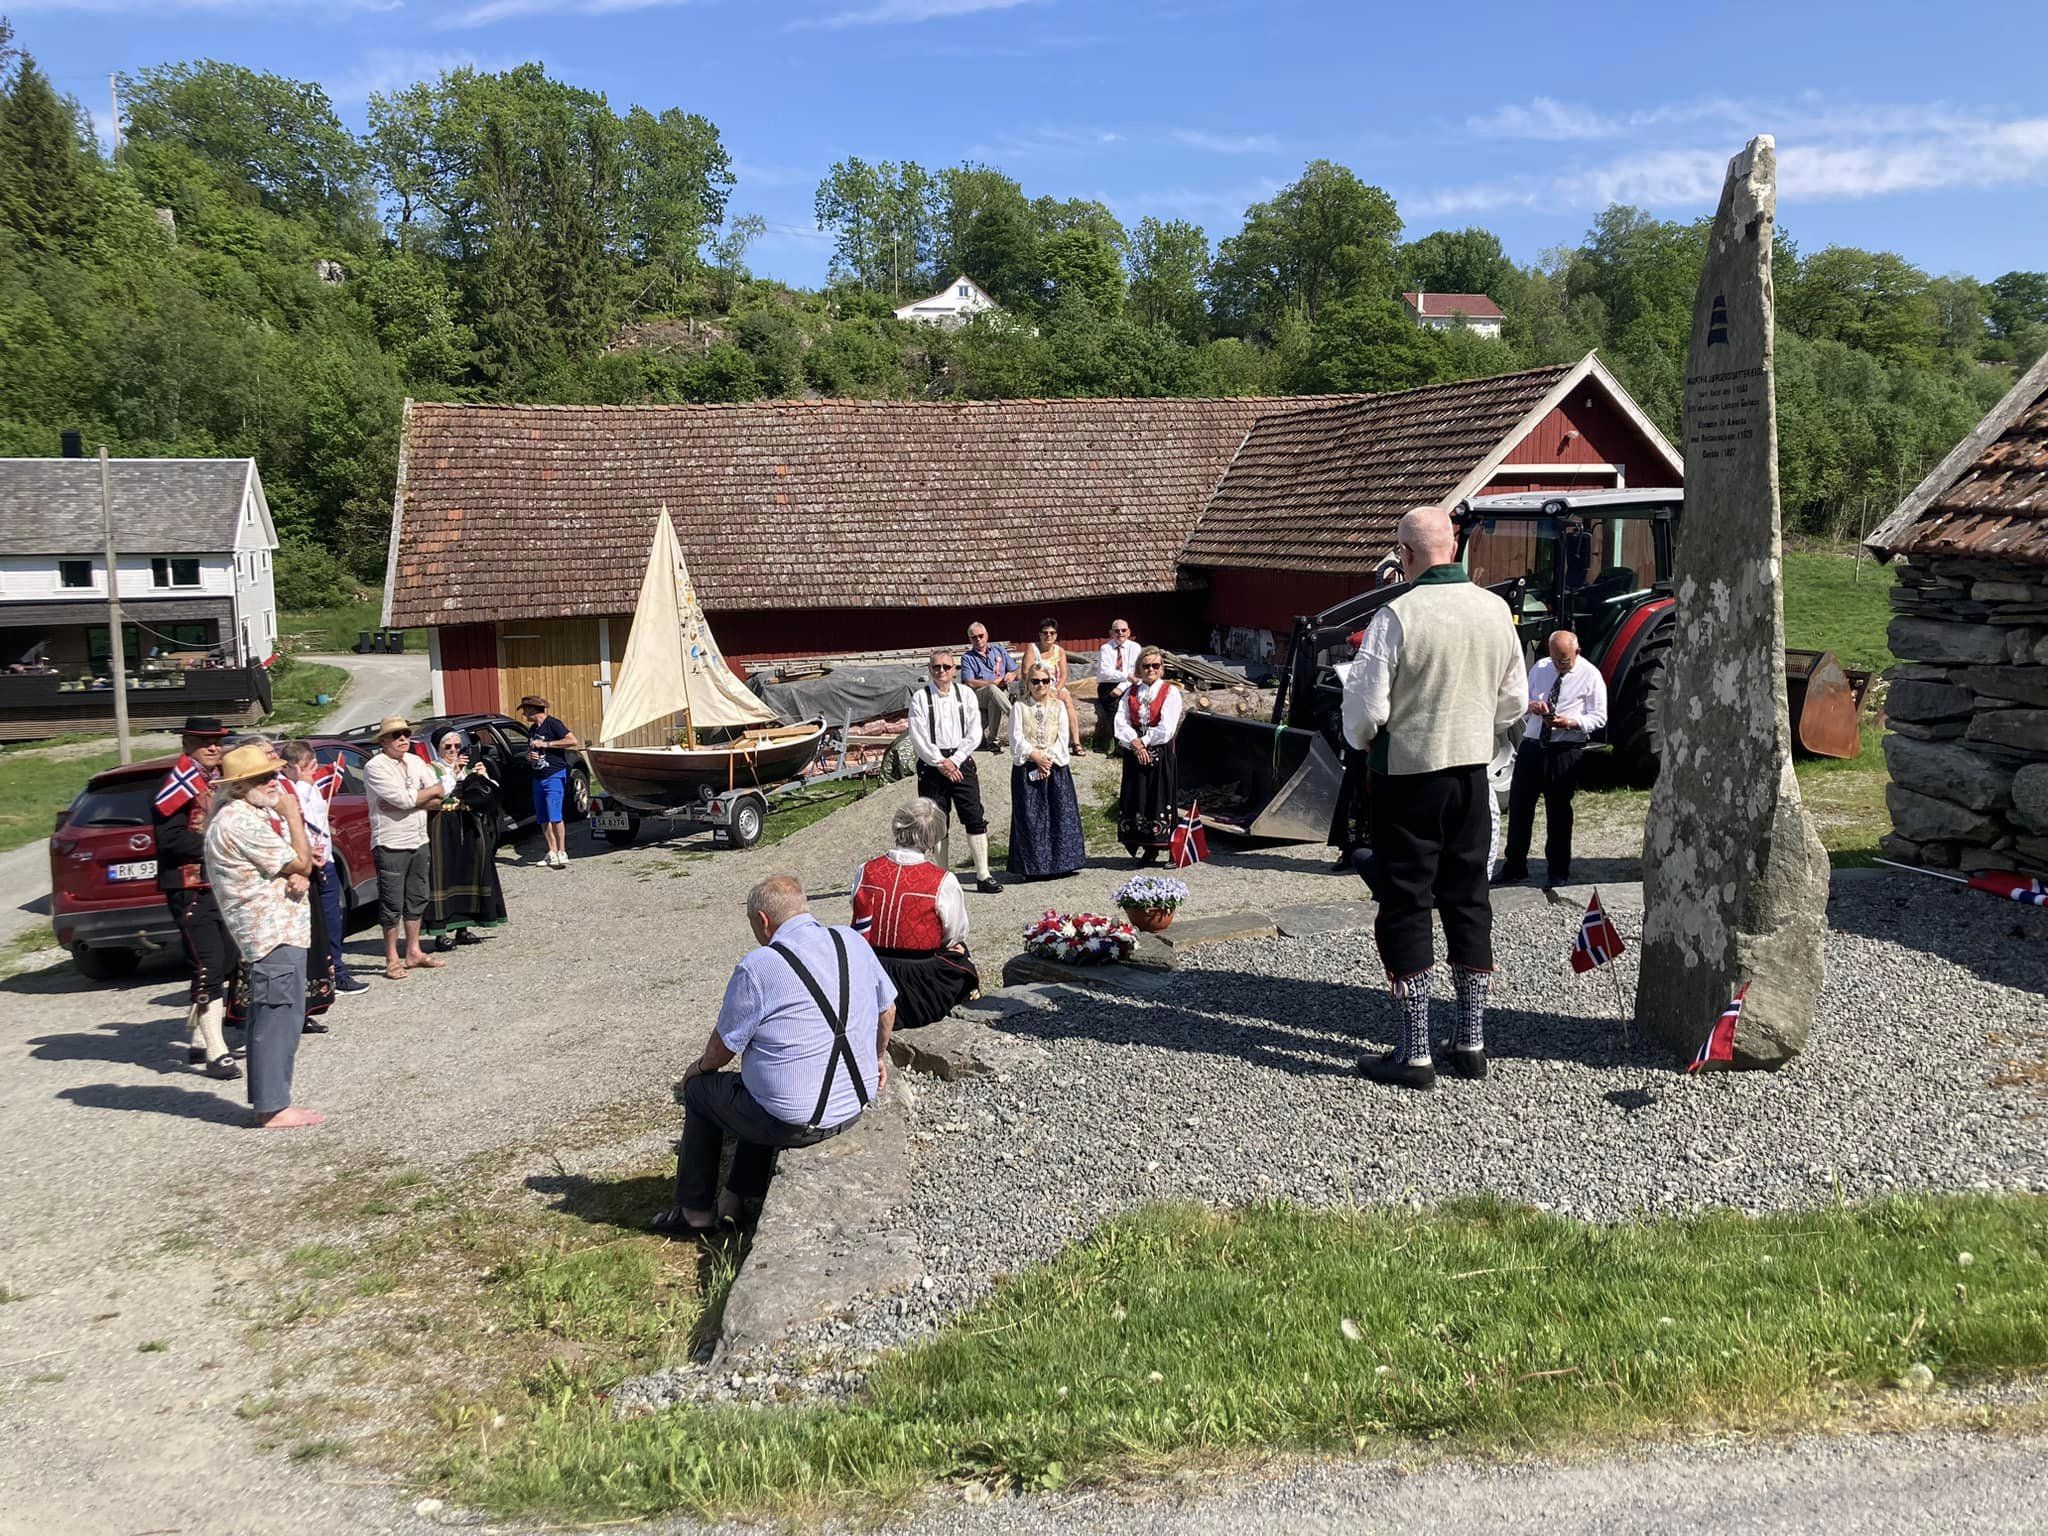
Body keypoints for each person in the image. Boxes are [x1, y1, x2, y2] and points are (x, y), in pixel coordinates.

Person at [1341, 505, 1527, 1092]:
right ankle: (1471, 1042)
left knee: (1407, 901)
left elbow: (1364, 712)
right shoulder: (1495, 610)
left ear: (1407, 553)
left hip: (1409, 778)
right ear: (1454, 546)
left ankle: (1416, 1051)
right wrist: (1474, 727)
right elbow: (1514, 701)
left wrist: (1367, 742)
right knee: (1469, 897)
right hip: (1471, 775)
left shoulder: (1396, 615)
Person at [652, 876, 894, 1238]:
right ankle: (737, 1195)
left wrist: (697, 1069)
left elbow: (724, 1046)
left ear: (763, 921)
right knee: (763, 1082)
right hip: (854, 1103)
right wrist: (877, 1055)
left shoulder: (760, 965)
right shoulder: (851, 942)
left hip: (798, 1122)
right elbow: (887, 1009)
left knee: (704, 1092)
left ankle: (696, 1213)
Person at [202, 744, 322, 1129]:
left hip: (274, 928)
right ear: (240, 787)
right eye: (265, 778)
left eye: (274, 775)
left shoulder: (242, 816)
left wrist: (296, 868)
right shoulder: (241, 821)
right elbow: (298, 860)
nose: (275, 783)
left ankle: (270, 1100)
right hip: (271, 931)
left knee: (273, 1015)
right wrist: (293, 815)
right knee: (278, 1018)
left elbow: (289, 863)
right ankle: (272, 1106)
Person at [154, 716, 238, 1080]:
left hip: (218, 884)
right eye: (205, 741)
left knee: (227, 958)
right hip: (189, 888)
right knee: (209, 963)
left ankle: (199, 1037)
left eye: (217, 741)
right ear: (187, 742)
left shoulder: (213, 778)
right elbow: (169, 839)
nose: (213, 747)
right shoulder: (178, 784)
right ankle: (216, 1052)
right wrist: (215, 844)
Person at [851, 798, 979, 1029]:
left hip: (867, 977)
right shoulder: (943, 881)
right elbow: (954, 935)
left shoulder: (865, 871)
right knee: (961, 955)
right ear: (933, 840)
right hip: (919, 988)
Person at [1498, 629, 1609, 889]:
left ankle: (1558, 871)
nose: (1560, 665)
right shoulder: (1540, 668)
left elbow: (1599, 717)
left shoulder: (1590, 675)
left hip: (1565, 749)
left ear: (1577, 653)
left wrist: (1570, 722)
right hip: (1533, 744)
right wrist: (1532, 706)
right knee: (1519, 807)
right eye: (1556, 659)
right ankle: (1515, 866)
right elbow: (1522, 700)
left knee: (1558, 812)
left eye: (1565, 660)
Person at [908, 651, 1002, 894]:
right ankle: (942, 879)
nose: (941, 671)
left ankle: (983, 875)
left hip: (961, 761)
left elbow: (974, 732)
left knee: (974, 815)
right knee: (937, 821)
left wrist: (956, 760)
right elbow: (917, 736)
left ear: (954, 670)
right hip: (932, 765)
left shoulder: (966, 694)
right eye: (936, 667)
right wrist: (941, 762)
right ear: (930, 670)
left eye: (946, 667)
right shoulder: (920, 697)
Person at [361, 716, 446, 981]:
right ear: (383, 740)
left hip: (419, 837)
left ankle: (413, 950)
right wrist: (419, 798)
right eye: (396, 735)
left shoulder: (415, 761)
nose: (402, 739)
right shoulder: (376, 766)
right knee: (391, 902)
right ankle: (391, 958)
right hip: (391, 842)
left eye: (406, 734)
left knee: (417, 896)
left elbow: (441, 792)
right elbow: (401, 798)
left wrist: (415, 802)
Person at [425, 727, 509, 950]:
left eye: (457, 746)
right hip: (443, 825)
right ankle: (441, 931)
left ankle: (464, 927)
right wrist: (453, 771)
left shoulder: (470, 767)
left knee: (471, 870)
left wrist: (483, 777)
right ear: (438, 748)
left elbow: (493, 795)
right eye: (448, 747)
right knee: (444, 875)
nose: (453, 750)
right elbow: (435, 795)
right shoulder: (431, 770)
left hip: (469, 822)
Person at [1008, 663, 1086, 879]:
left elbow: (1063, 737)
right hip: (1027, 768)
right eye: (1035, 681)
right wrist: (1035, 757)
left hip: (1055, 768)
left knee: (1058, 815)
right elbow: (1015, 738)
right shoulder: (1019, 707)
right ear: (1028, 683)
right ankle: (1033, 867)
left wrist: (1047, 760)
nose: (1040, 685)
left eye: (1045, 681)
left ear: (1051, 682)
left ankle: (1062, 864)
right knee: (1031, 818)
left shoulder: (1059, 706)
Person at [1114, 648, 1184, 863]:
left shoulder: (1169, 692)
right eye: (1146, 666)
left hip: (1160, 751)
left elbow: (1167, 727)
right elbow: (1121, 721)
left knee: (1160, 797)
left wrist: (1143, 742)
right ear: (1139, 669)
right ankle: (1148, 848)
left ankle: (1171, 847)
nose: (1151, 670)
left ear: (1162, 669)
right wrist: (1134, 743)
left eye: (1155, 666)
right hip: (1135, 751)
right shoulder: (1130, 692)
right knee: (1139, 797)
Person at [518, 695, 578, 869]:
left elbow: (572, 740)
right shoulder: (532, 730)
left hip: (554, 774)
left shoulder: (553, 724)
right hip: (537, 776)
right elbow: (530, 750)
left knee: (555, 815)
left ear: (531, 709)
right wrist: (529, 756)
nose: (523, 714)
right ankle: (551, 851)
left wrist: (547, 744)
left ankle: (562, 851)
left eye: (524, 710)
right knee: (543, 816)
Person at [1022, 618, 1084, 754]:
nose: (1048, 636)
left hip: (1054, 685)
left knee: (1067, 700)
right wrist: (1040, 687)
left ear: (1056, 635)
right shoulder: (1032, 649)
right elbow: (1026, 673)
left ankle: (1076, 742)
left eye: (1052, 633)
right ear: (1040, 635)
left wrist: (1057, 689)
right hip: (1036, 685)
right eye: (1045, 633)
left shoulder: (1059, 651)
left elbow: (1063, 675)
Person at [959, 623, 1017, 750]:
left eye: (981, 636)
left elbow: (1014, 670)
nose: (978, 639)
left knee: (994, 699)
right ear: (970, 639)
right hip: (979, 694)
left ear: (987, 635)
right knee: (992, 690)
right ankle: (1015, 717)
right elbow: (969, 682)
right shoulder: (967, 658)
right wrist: (993, 683)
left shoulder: (999, 650)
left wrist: (1011, 675)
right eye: (974, 637)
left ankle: (992, 740)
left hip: (1001, 693)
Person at [1094, 620, 1139, 752]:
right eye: (1117, 631)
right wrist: (1126, 676)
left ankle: (1135, 741)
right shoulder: (1106, 648)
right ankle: (1118, 745)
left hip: (1129, 684)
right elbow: (1105, 673)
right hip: (1107, 685)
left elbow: (1135, 672)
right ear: (1111, 633)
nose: (1120, 633)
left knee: (1133, 707)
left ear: (1129, 632)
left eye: (1123, 630)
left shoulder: (1135, 647)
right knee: (1114, 710)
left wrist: (1121, 687)